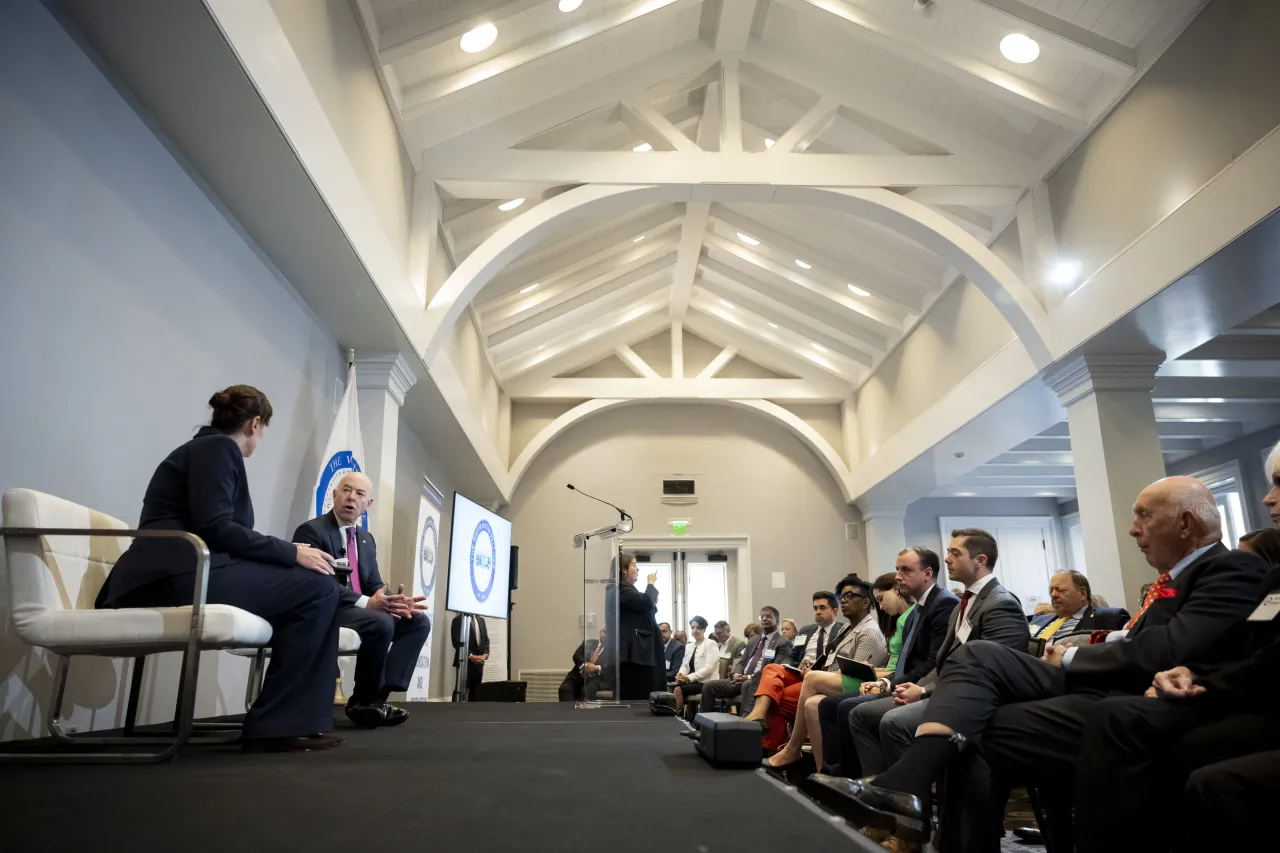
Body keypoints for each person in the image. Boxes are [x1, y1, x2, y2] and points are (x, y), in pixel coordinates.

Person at [810, 476, 1269, 850]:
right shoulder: (1172, 580)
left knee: (978, 727)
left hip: (1139, 697)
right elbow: (1147, 639)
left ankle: (905, 782)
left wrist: (1074, 654)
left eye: (1144, 517)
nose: (1133, 529)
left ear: (1187, 524)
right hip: (1108, 684)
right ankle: (906, 788)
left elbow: (1172, 647)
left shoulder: (1231, 570)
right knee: (977, 658)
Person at [95, 386, 343, 753]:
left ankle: (291, 719)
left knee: (315, 588)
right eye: (264, 430)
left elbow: (219, 530)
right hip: (175, 574)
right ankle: (279, 723)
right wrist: (290, 553)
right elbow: (217, 527)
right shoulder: (218, 449)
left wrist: (290, 556)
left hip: (188, 568)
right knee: (319, 589)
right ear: (256, 424)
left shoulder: (205, 449)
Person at [1069, 493, 1280, 852]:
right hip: (1244, 691)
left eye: (1278, 483)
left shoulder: (1233, 570)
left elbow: (1263, 662)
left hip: (1261, 705)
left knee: (1137, 728)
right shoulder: (1275, 579)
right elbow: (1260, 654)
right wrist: (1194, 673)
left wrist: (1205, 682)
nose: (1268, 498)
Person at [847, 529, 1027, 785]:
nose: (946, 559)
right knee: (861, 714)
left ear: (980, 561)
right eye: (948, 552)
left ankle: (905, 811)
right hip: (948, 691)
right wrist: (919, 688)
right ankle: (881, 802)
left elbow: (993, 673)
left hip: (975, 701)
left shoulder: (1000, 604)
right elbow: (944, 663)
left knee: (893, 722)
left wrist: (923, 692)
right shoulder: (964, 604)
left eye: (955, 553)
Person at [293, 473, 429, 727]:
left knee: (417, 621)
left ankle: (374, 699)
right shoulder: (312, 531)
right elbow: (316, 584)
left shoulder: (365, 539)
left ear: (368, 503)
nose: (351, 498)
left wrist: (394, 602)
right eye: (346, 490)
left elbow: (374, 584)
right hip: (327, 608)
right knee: (381, 623)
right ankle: (366, 702)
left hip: (361, 609)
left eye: (359, 494)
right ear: (334, 495)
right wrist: (369, 603)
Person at [819, 548, 958, 779]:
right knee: (830, 705)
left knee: (851, 710)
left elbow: (932, 663)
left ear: (927, 573)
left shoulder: (942, 604)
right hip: (908, 681)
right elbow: (906, 662)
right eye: (897, 570)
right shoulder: (919, 608)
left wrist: (890, 685)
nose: (898, 576)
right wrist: (885, 680)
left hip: (926, 687)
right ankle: (851, 781)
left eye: (906, 570)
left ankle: (874, 786)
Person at [764, 576, 890, 769]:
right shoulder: (848, 627)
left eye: (850, 595)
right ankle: (822, 771)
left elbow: (860, 674)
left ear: (866, 603)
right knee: (810, 701)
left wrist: (819, 675)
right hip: (838, 679)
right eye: (842, 596)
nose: (844, 600)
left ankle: (792, 749)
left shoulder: (870, 632)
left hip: (863, 683)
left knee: (808, 682)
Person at [693, 606, 792, 716]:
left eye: (769, 616)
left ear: (777, 621)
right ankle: (703, 728)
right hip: (739, 679)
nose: (764, 619)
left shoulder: (783, 642)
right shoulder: (754, 640)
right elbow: (742, 662)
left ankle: (743, 726)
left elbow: (775, 669)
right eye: (762, 616)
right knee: (709, 686)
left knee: (747, 684)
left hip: (758, 681)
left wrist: (748, 677)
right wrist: (736, 673)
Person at [613, 553, 664, 699]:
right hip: (636, 653)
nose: (638, 569)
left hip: (642, 651)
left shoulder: (629, 589)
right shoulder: (621, 589)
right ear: (624, 570)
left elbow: (647, 606)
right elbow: (645, 602)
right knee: (639, 694)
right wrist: (651, 583)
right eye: (634, 565)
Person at [1029, 570, 1128, 642]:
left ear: (1082, 593)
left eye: (1061, 590)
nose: (1053, 595)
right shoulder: (1038, 620)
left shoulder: (1110, 618)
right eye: (1051, 590)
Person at [672, 616, 717, 712]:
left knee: (677, 689)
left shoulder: (711, 644)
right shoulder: (689, 646)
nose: (695, 630)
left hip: (706, 683)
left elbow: (709, 669)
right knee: (670, 686)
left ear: (704, 629)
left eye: (698, 628)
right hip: (692, 682)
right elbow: (684, 665)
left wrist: (688, 677)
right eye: (692, 627)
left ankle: (674, 717)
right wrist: (680, 675)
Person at [786, 592, 843, 667]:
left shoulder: (842, 631)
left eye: (822, 608)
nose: (817, 612)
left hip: (825, 674)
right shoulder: (805, 630)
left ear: (834, 612)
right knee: (772, 668)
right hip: (800, 673)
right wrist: (794, 665)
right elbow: (791, 656)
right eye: (815, 608)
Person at [450, 613, 490, 701]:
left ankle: (474, 713)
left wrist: (485, 655)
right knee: (460, 690)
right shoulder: (458, 620)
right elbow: (456, 642)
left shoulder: (481, 620)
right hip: (464, 661)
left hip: (479, 663)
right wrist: (471, 656)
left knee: (476, 692)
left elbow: (486, 639)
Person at [559, 629, 606, 702]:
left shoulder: (613, 650)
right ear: (600, 632)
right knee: (564, 689)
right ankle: (568, 713)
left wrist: (596, 668)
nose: (605, 635)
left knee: (585, 692)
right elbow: (577, 655)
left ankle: (580, 713)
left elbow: (611, 666)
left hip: (595, 678)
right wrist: (585, 666)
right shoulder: (589, 642)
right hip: (579, 675)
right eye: (604, 632)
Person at [873, 573, 911, 662]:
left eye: (880, 598)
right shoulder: (899, 621)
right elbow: (891, 667)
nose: (880, 607)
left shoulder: (910, 618)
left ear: (896, 589)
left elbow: (897, 670)